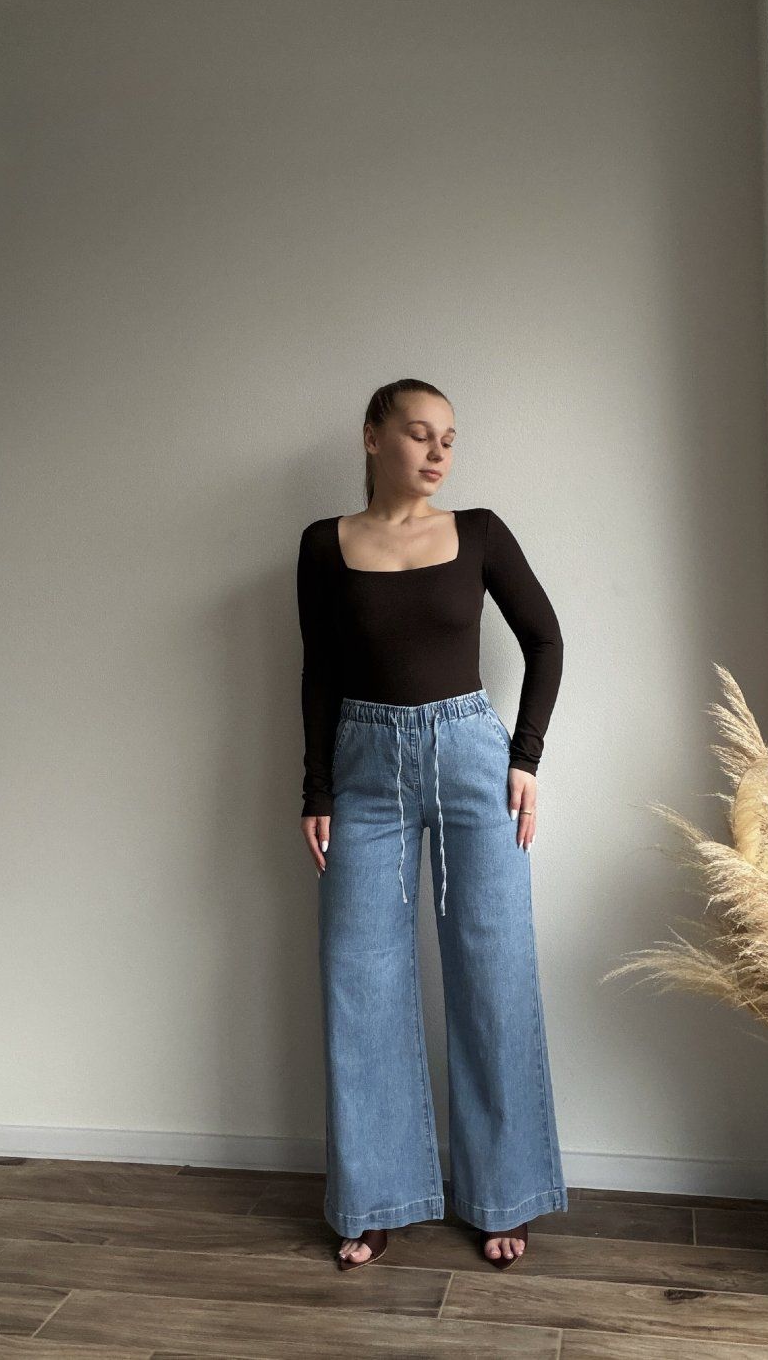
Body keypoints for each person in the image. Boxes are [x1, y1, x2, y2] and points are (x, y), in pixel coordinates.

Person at [297, 378, 568, 1272]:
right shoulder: (324, 545)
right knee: (359, 975)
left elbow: (546, 640)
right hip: (364, 768)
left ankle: (503, 1194)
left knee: (493, 970)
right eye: (420, 433)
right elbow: (320, 671)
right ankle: (375, 1199)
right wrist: (317, 789)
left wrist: (524, 757)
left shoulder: (479, 532)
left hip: (471, 760)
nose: (439, 451)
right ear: (372, 436)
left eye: (449, 436)